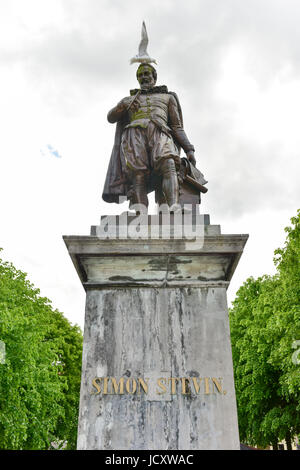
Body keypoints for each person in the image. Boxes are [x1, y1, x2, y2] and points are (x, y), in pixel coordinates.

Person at [102, 63, 197, 213]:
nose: (144, 77)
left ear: (154, 76)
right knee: (137, 174)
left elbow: (177, 127)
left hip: (160, 132)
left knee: (169, 164)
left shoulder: (168, 97)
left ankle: (174, 206)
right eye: (140, 75)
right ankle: (140, 213)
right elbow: (110, 117)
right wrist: (121, 105)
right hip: (134, 135)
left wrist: (189, 149)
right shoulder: (129, 100)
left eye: (147, 73)